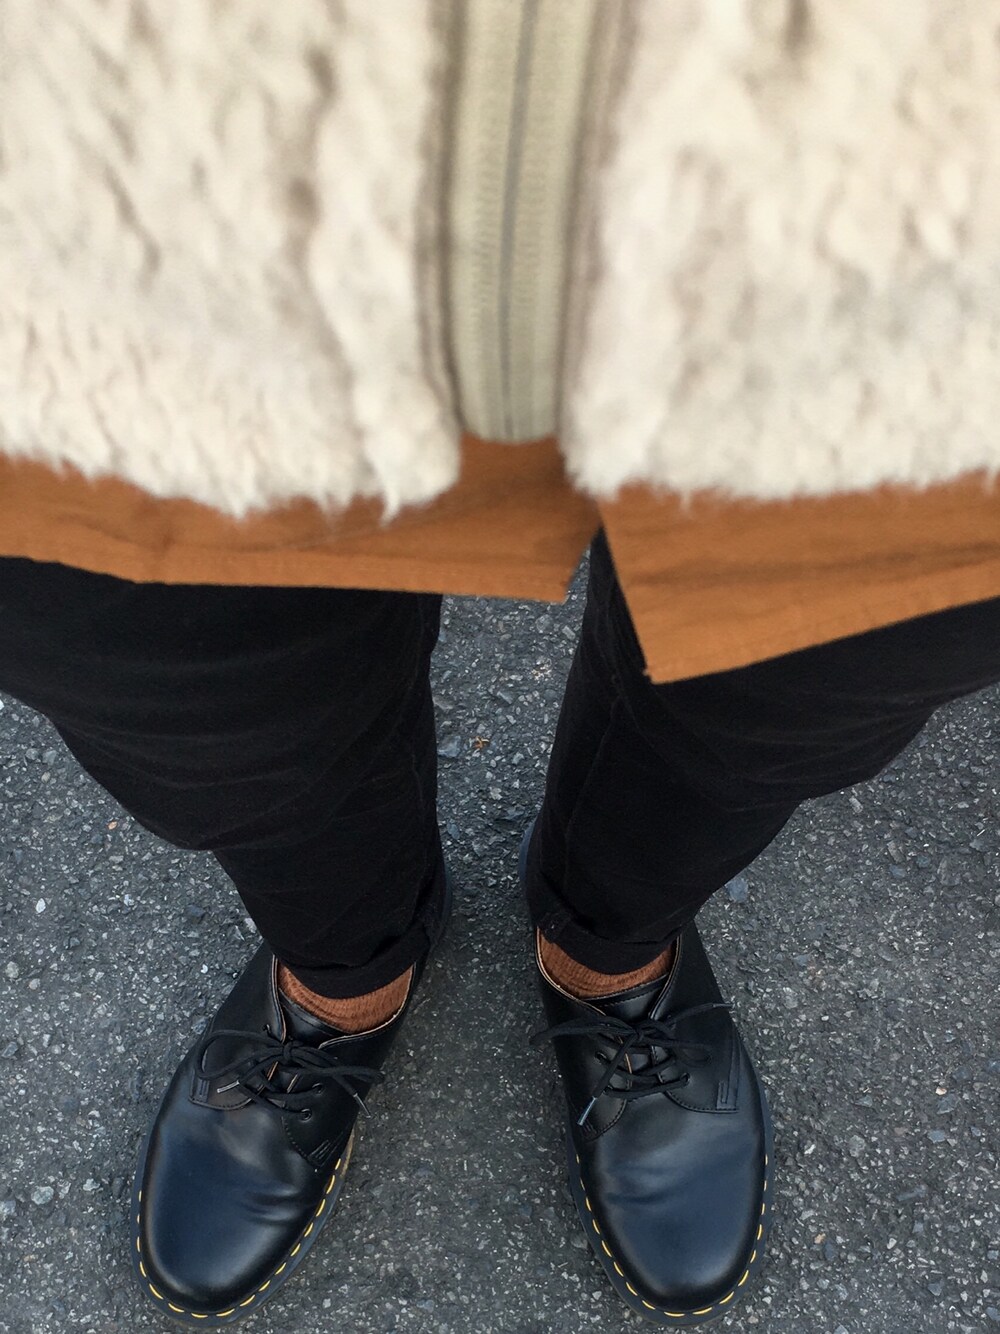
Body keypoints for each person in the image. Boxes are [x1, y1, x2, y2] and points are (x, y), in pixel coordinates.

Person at [2, 2, 999, 1327]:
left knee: (794, 683)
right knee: (199, 702)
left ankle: (610, 956)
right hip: (121, 195)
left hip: (916, 222)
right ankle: (342, 976)